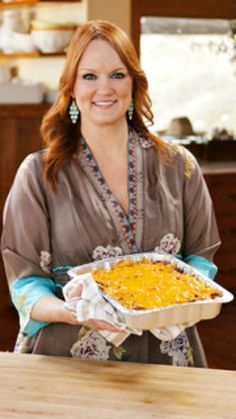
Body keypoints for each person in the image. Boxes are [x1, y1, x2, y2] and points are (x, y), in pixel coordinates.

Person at [1, 20, 221, 365]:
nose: (105, 88)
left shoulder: (180, 166)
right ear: (71, 87)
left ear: (134, 84)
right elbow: (25, 287)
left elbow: (202, 259)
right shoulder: (38, 175)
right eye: (90, 76)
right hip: (71, 363)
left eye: (117, 75)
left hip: (165, 361)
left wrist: (181, 303)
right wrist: (73, 311)